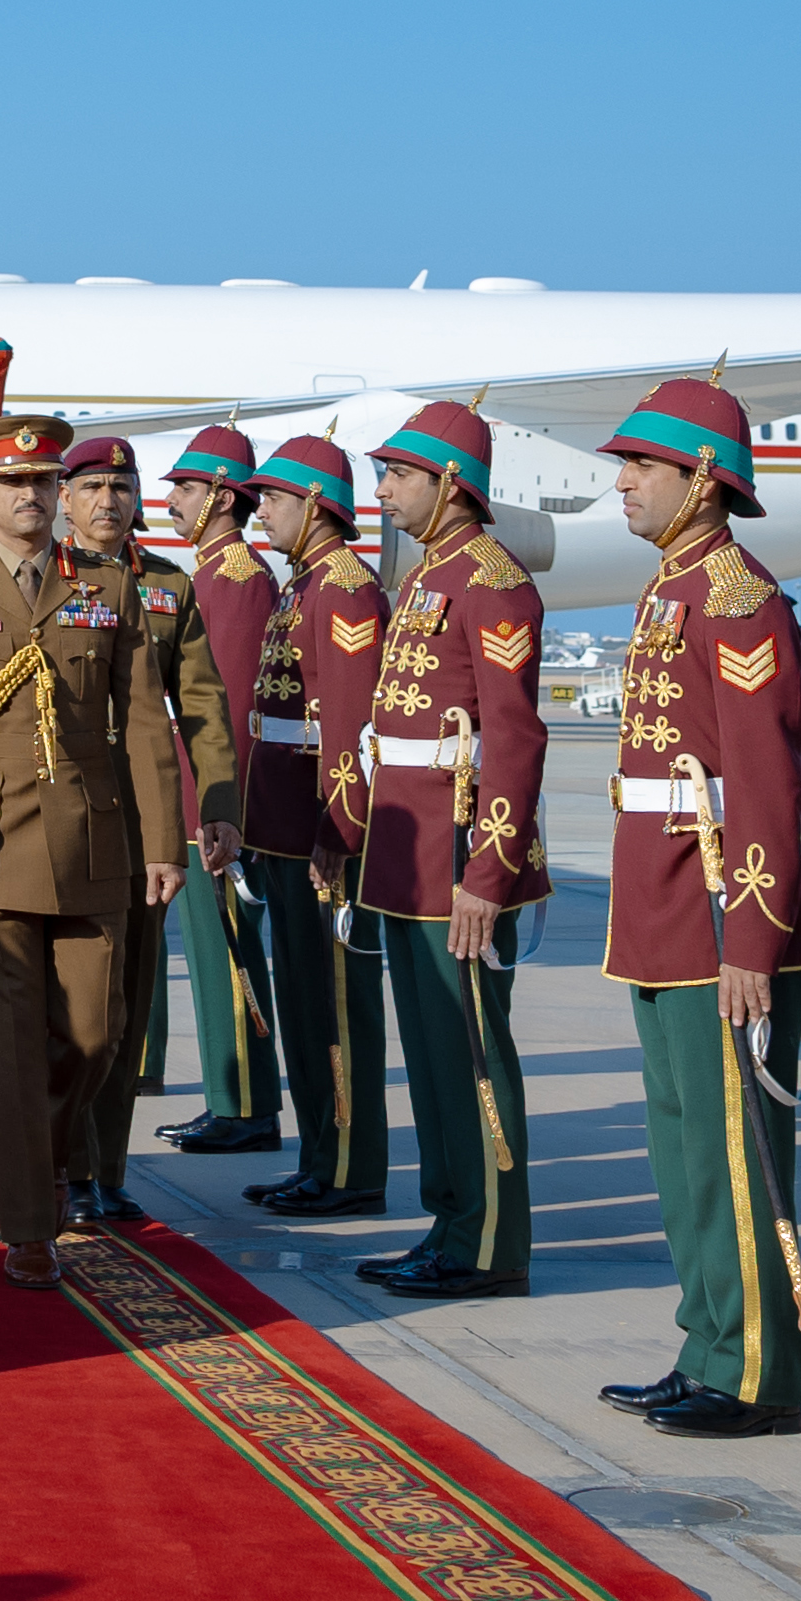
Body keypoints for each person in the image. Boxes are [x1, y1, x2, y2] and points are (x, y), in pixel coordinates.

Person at [0, 417, 186, 1291]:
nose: (31, 496)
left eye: (43, 481)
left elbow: (146, 723)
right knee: (8, 1045)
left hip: (93, 840)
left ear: (59, 491)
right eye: (13, 482)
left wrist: (163, 842)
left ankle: (49, 1153)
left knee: (97, 1035)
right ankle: (29, 1221)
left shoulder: (107, 584)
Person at [594, 381, 801, 1439]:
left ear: (702, 479)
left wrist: (753, 941)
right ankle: (707, 1348)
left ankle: (756, 1375)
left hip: (722, 910)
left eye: (642, 466)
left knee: (735, 1154)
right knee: (684, 1151)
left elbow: (767, 787)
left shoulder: (736, 598)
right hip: (663, 902)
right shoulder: (672, 587)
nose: (623, 483)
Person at [353, 402, 550, 1299]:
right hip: (409, 857)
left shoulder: (492, 580)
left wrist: (489, 871)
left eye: (399, 475)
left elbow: (513, 735)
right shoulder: (431, 571)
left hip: (460, 854)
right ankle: (450, 1225)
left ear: (452, 483)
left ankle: (490, 1243)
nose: (384, 490)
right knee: (432, 1055)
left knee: (470, 1052)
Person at [55, 436, 243, 1226]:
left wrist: (219, 805)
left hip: (141, 824)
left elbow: (201, 703)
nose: (108, 501)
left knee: (125, 1006)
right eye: (92, 487)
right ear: (65, 499)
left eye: (121, 487)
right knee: (69, 1006)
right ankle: (60, 1164)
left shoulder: (167, 587)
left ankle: (105, 1170)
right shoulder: (41, 579)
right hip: (58, 820)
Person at [238, 434, 391, 1219]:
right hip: (283, 824)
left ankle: (351, 1169)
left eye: (272, 498)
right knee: (301, 1003)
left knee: (334, 1006)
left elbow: (352, 724)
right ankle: (317, 1158)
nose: (259, 510)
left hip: (320, 830)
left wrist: (342, 827)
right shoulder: (304, 584)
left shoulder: (346, 590)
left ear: (316, 504)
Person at [155, 425, 286, 1157]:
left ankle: (245, 1106)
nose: (172, 500)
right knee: (208, 954)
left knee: (227, 951)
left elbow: (226, 708)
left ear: (222, 497)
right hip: (193, 795)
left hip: (213, 804)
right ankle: (228, 1098)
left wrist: (217, 808)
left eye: (185, 488)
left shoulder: (235, 577)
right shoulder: (208, 571)